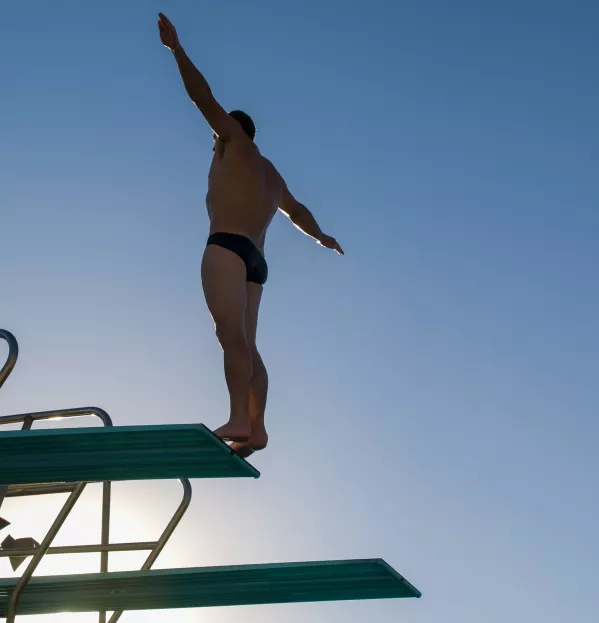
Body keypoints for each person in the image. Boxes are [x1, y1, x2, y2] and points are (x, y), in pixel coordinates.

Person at [158, 12, 344, 457]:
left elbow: (202, 99)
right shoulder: (270, 173)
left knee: (231, 337)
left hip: (226, 246)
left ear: (231, 129)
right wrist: (321, 238)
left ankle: (240, 416)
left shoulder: (235, 144)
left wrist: (177, 51)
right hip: (257, 263)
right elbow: (297, 211)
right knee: (246, 345)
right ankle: (257, 428)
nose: (214, 141)